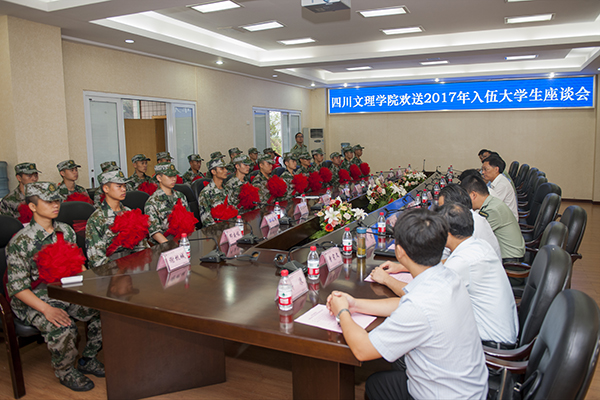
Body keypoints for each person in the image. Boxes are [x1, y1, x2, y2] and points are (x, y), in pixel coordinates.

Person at [327, 209, 488, 400]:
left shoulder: (419, 306)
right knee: (379, 382)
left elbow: (362, 349)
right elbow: (403, 304)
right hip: (470, 388)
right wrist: (354, 304)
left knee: (377, 385)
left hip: (447, 395)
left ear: (400, 251)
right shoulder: (448, 276)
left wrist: (342, 312)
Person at [5, 182, 103, 392]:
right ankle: (65, 371)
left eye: (56, 200)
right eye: (48, 202)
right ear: (32, 207)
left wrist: (89, 287)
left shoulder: (65, 231)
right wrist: (47, 309)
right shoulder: (21, 241)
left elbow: (77, 262)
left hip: (65, 289)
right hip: (34, 299)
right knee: (63, 326)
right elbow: (18, 288)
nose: (55, 205)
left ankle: (88, 358)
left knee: (101, 311)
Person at [86, 170, 150, 269]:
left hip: (133, 266)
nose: (123, 189)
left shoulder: (129, 212)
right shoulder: (96, 219)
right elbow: (97, 260)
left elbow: (142, 247)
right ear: (106, 188)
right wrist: (120, 269)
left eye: (124, 186)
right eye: (119, 186)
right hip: (109, 270)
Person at [461, 174, 525, 263]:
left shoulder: (492, 210)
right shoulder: (492, 203)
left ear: (473, 195)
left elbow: (474, 235)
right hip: (508, 255)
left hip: (510, 260)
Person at [438, 184, 501, 259]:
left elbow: (444, 255)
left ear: (454, 207)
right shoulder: (473, 216)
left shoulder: (463, 222)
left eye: (442, 208)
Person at [144, 162, 189, 244]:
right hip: (164, 244)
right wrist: (171, 247)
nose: (173, 179)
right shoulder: (152, 202)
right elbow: (155, 233)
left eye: (174, 175)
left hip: (183, 240)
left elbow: (189, 221)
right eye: (169, 176)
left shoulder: (181, 196)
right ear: (159, 178)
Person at [482, 155, 518, 220]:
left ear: (496, 169)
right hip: (500, 216)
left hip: (507, 220)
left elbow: (490, 206)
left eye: (486, 169)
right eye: (482, 169)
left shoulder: (502, 185)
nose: (483, 172)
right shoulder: (496, 181)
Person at [197, 158, 228, 226]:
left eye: (225, 168)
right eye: (222, 169)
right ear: (213, 172)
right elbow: (207, 221)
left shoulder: (227, 189)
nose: (226, 171)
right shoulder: (206, 193)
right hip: (216, 229)